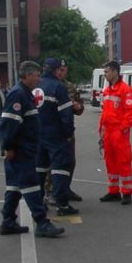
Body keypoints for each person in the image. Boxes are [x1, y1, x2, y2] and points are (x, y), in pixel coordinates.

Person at [0, 61, 64, 238]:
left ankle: (8, 221)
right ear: (27, 76)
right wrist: (9, 147)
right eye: (36, 75)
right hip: (21, 150)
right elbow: (8, 123)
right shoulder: (18, 94)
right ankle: (42, 222)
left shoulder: (24, 93)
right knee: (31, 185)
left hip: (23, 148)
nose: (39, 78)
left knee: (13, 186)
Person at [36, 58, 78, 216]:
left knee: (39, 170)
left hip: (38, 135)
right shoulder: (58, 87)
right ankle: (62, 204)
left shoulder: (35, 86)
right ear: (55, 70)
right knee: (60, 170)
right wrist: (67, 133)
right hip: (55, 135)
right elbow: (66, 114)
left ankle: (39, 202)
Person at [44, 59, 84, 205]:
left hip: (67, 131)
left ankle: (65, 188)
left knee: (69, 162)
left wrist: (77, 107)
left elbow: (80, 108)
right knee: (52, 164)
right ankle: (50, 191)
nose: (61, 73)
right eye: (59, 70)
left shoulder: (69, 87)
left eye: (64, 70)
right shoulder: (48, 86)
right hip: (53, 130)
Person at [98, 60, 132, 205]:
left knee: (123, 162)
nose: (105, 74)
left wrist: (123, 129)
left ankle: (127, 193)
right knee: (110, 163)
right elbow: (105, 113)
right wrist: (101, 131)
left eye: (107, 72)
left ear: (115, 72)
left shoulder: (125, 90)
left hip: (119, 133)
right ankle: (113, 191)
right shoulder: (107, 90)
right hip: (108, 132)